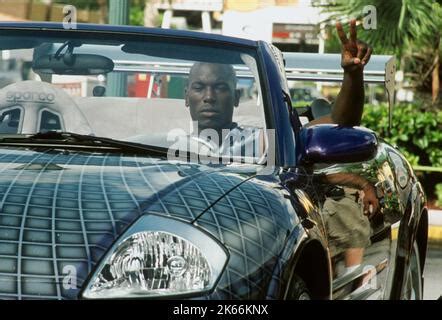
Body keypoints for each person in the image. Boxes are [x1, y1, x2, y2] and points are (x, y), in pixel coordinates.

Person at [184, 19, 372, 150]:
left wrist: (352, 75)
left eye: (220, 88)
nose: (209, 97)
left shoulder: (261, 143)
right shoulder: (165, 148)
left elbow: (339, 123)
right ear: (187, 97)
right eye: (199, 88)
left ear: (236, 98)